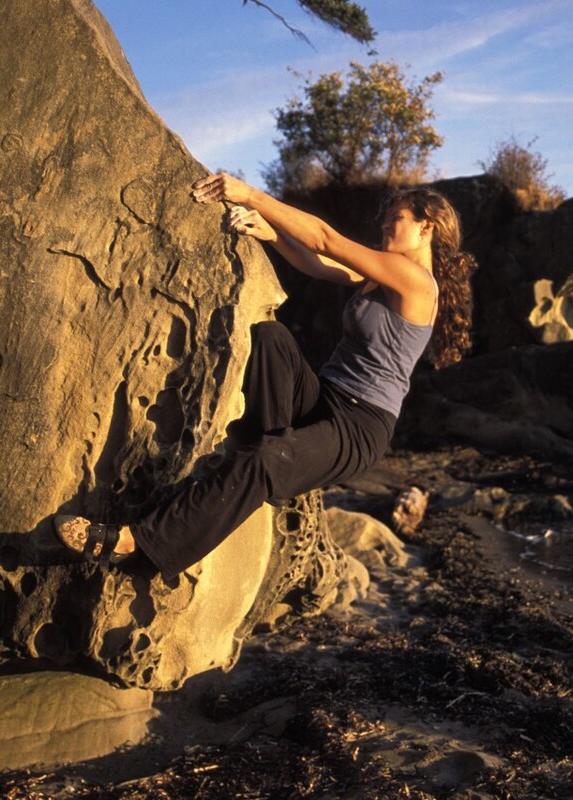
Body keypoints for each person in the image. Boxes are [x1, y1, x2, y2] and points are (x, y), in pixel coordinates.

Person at [54, 173, 475, 573]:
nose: (385, 223)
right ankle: (273, 457)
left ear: (427, 228)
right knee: (272, 337)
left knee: (264, 460)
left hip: (360, 425)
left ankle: (134, 543)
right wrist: (271, 234)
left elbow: (326, 238)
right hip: (324, 397)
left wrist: (252, 196)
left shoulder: (415, 280)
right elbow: (318, 263)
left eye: (397, 218)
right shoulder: (381, 273)